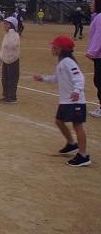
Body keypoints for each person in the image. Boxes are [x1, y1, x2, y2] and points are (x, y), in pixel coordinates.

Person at [33, 35, 91, 167]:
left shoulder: (68, 62)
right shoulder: (62, 62)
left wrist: (77, 91)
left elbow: (79, 77)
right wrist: (43, 78)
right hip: (66, 101)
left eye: (53, 47)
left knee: (77, 126)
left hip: (75, 101)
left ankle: (83, 156)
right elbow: (56, 78)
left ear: (59, 49)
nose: (51, 49)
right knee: (59, 121)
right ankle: (71, 144)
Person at [0, 16, 20, 104]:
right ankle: (6, 95)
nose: (4, 26)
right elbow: (3, 48)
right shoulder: (6, 35)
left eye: (6, 24)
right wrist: (0, 58)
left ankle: (12, 97)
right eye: (5, 24)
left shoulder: (15, 35)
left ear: (12, 25)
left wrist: (11, 32)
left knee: (12, 79)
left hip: (13, 60)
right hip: (5, 60)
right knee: (5, 79)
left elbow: (12, 45)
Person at [87, 0, 101, 118]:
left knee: (99, 81)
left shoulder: (100, 17)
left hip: (99, 55)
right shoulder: (97, 17)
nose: (91, 4)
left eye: (93, 2)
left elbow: (99, 35)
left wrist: (93, 51)